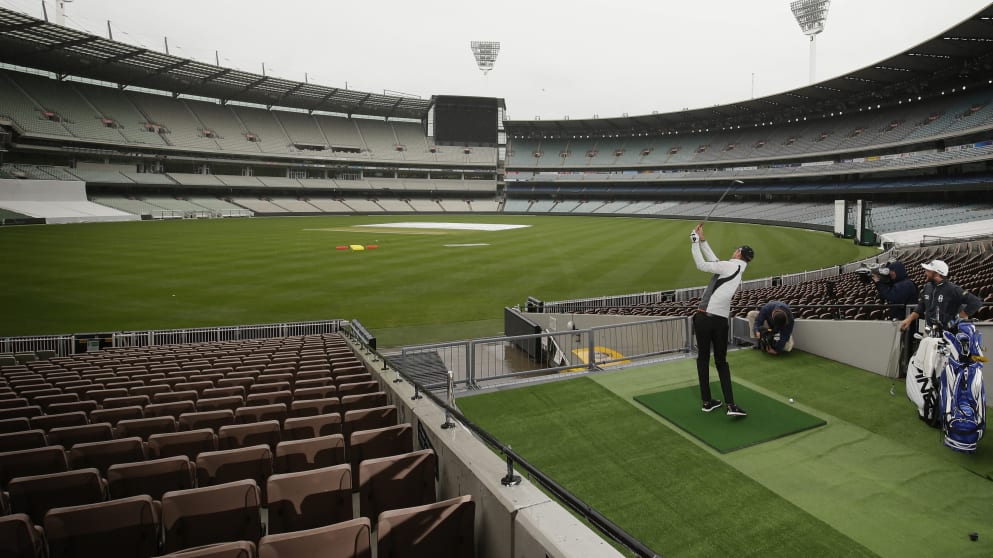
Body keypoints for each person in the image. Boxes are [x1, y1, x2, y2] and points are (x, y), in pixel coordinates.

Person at [689, 223, 753, 418]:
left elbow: (702, 265)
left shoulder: (729, 266)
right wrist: (703, 240)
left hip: (704, 317)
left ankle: (707, 401)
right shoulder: (737, 270)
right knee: (721, 362)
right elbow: (716, 261)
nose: (733, 251)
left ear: (739, 253)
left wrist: (694, 242)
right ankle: (730, 405)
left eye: (736, 250)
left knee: (703, 359)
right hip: (721, 322)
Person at [899, 259, 982, 333]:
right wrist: (909, 319)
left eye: (928, 271)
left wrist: (958, 317)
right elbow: (921, 306)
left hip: (949, 335)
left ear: (936, 273)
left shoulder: (952, 289)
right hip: (930, 333)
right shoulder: (927, 287)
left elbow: (975, 302)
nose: (925, 273)